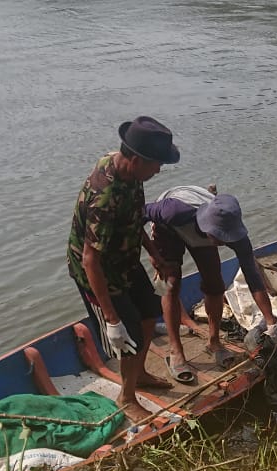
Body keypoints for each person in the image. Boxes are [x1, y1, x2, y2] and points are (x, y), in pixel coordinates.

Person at [67, 116, 179, 423]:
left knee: (148, 312)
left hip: (123, 258)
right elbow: (91, 260)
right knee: (127, 330)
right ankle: (126, 398)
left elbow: (134, 219)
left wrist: (154, 254)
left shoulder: (131, 174)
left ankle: (138, 374)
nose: (158, 170)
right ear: (135, 159)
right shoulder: (105, 196)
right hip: (98, 270)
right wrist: (112, 319)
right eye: (155, 164)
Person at [144, 185, 277, 382]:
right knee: (169, 284)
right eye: (220, 236)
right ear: (209, 226)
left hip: (199, 232)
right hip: (168, 228)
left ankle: (214, 342)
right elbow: (136, 215)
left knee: (215, 283)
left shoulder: (236, 235)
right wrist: (153, 254)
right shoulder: (172, 211)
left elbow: (253, 277)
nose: (224, 242)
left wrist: (270, 321)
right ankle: (175, 350)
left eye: (227, 237)